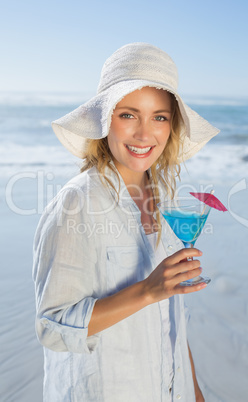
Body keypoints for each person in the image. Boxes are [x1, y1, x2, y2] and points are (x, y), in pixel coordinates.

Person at [33, 42, 219, 402]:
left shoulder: (165, 201)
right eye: (129, 115)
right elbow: (52, 327)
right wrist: (148, 290)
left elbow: (173, 323)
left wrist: (194, 394)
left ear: (172, 126)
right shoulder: (77, 202)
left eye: (159, 117)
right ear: (104, 121)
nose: (144, 134)